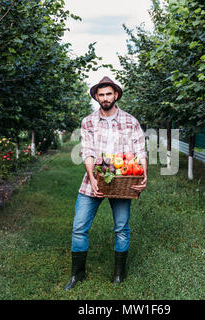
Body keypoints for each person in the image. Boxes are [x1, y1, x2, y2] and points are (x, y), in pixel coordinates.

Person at [64, 76, 148, 290]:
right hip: (94, 179)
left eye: (108, 94)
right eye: (101, 95)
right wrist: (93, 179)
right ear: (96, 97)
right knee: (79, 227)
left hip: (123, 179)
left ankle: (119, 274)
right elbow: (88, 152)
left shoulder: (131, 121)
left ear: (116, 95)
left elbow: (140, 150)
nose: (105, 98)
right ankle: (78, 275)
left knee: (121, 228)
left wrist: (143, 174)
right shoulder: (88, 122)